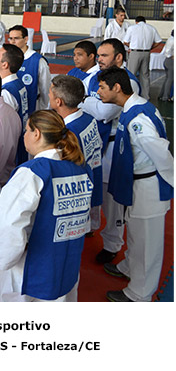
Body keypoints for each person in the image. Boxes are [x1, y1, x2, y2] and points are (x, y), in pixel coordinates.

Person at [0, 110, 93, 302]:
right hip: (65, 262)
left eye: (26, 130)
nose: (24, 136)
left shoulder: (32, 172)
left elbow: (7, 224)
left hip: (28, 267)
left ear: (36, 133)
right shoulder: (80, 168)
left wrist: (3, 260)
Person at [97, 67, 173, 301]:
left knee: (147, 243)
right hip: (136, 183)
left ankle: (140, 294)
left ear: (117, 88)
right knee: (136, 235)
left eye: (102, 87)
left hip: (148, 187)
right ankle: (130, 266)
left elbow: (161, 153)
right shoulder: (133, 108)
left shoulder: (138, 119)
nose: (98, 92)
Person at [81, 39, 140, 264]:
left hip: (115, 145)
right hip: (93, 141)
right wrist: (88, 102)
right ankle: (91, 225)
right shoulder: (95, 77)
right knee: (91, 187)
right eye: (98, 55)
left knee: (111, 198)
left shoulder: (128, 82)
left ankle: (112, 243)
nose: (99, 60)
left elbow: (104, 112)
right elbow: (79, 98)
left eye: (104, 55)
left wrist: (85, 101)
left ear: (119, 57)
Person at [49, 75, 103, 233]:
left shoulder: (67, 133)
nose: (48, 96)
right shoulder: (89, 118)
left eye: (50, 94)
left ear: (59, 101)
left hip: (76, 193)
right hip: (92, 179)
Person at [0, 44, 29, 164]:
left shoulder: (6, 92)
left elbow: (3, 126)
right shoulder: (17, 83)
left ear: (5, 65)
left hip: (10, 151)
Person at [7, 25, 51, 113]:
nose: (13, 42)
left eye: (16, 38)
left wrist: (43, 110)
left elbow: (45, 89)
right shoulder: (6, 58)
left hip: (32, 107)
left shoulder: (38, 61)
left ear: (26, 39)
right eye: (10, 38)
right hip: (11, 107)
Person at [122, 16, 163, 100]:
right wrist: (150, 47)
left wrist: (131, 46)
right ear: (145, 21)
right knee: (145, 75)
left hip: (135, 52)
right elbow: (159, 41)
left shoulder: (132, 28)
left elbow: (125, 41)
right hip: (146, 53)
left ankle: (130, 95)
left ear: (136, 21)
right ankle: (146, 96)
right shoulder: (151, 28)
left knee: (131, 74)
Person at [158, 30, 174, 101]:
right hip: (171, 61)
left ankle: (162, 95)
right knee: (170, 79)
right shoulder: (172, 41)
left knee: (168, 79)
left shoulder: (170, 39)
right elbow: (167, 52)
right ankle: (166, 96)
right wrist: (172, 56)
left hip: (168, 61)